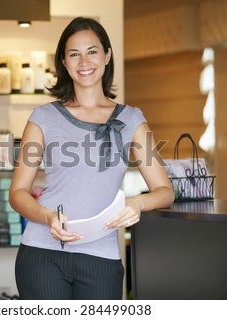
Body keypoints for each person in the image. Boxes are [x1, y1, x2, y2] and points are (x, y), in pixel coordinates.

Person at [9, 17, 174, 300]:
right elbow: (17, 193)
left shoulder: (131, 119)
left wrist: (138, 202)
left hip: (101, 258)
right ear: (63, 62)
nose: (84, 61)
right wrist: (47, 216)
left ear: (107, 55)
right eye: (74, 54)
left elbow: (166, 192)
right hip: (41, 255)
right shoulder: (43, 118)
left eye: (92, 51)